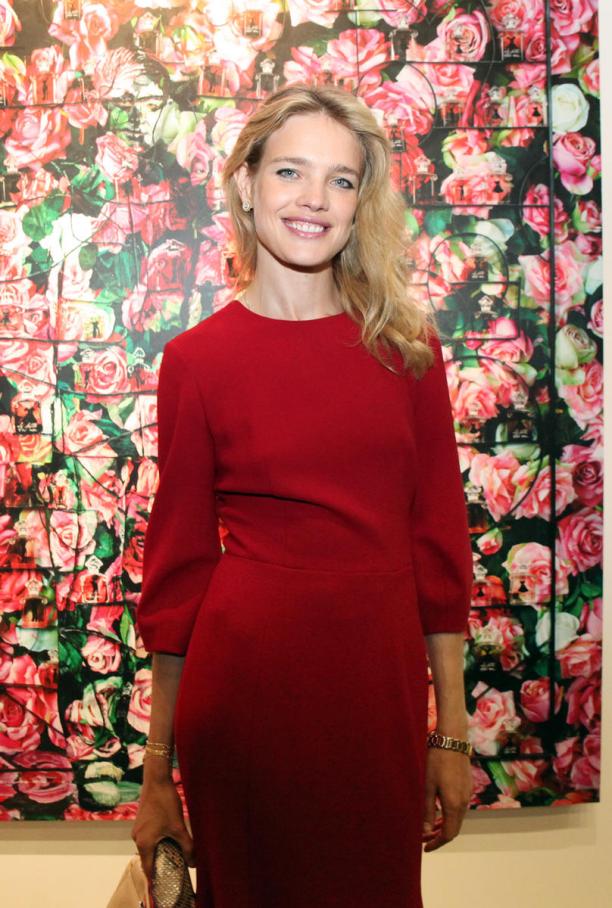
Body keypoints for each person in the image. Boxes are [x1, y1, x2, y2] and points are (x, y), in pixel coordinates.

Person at [132, 83, 474, 908]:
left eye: (340, 179)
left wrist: (453, 734)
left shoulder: (408, 350)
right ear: (246, 185)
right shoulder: (196, 361)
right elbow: (178, 575)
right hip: (241, 698)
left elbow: (439, 547)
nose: (314, 197)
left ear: (361, 205)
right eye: (290, 171)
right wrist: (156, 774)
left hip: (378, 695)